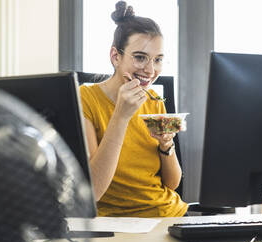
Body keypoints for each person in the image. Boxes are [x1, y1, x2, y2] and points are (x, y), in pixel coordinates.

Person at [79, 1, 188, 217]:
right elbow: (94, 191)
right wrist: (121, 116)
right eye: (140, 57)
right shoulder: (85, 99)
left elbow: (172, 184)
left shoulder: (155, 100)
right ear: (115, 56)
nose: (150, 70)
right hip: (118, 223)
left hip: (168, 214)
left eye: (158, 60)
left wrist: (166, 146)